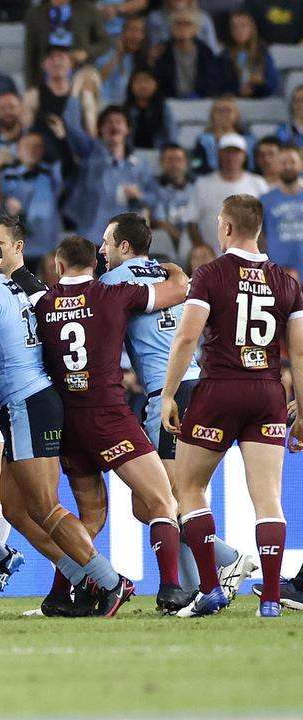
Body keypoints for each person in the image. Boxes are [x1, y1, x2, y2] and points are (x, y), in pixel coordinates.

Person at [0, 233, 135, 616]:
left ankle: (111, 581)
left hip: (27, 403)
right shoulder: (6, 288)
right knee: (15, 509)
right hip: (23, 403)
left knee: (45, 506)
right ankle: (77, 574)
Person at [159, 194, 303, 618]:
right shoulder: (287, 281)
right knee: (269, 499)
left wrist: (168, 393)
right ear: (259, 230)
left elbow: (187, 337)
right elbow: (299, 353)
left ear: (225, 227)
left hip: (220, 389)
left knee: (187, 488)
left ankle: (209, 588)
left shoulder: (211, 274)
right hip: (267, 393)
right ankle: (273, 598)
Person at [99, 212, 255, 602]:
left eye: (106, 242)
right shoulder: (172, 274)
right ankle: (190, 587)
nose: (101, 250)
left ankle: (227, 557)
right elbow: (181, 287)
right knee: (165, 498)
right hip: (197, 385)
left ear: (124, 246)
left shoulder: (113, 281)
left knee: (160, 501)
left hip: (166, 394)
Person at [34, 235, 192, 613]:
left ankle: (60, 594)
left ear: (57, 267)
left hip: (68, 424)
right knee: (160, 499)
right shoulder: (113, 294)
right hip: (108, 416)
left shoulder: (41, 304)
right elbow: (177, 290)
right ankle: (171, 588)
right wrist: (170, 267)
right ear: (95, 265)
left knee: (89, 516)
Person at [65, 105, 156, 241]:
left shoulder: (140, 165)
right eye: (109, 122)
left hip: (126, 241)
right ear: (101, 129)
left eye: (118, 122)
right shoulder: (89, 161)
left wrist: (139, 195)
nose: (114, 126)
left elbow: (156, 198)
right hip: (91, 238)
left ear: (128, 129)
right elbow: (72, 127)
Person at [192, 135, 269, 250]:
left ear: (244, 155)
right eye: (227, 152)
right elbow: (191, 222)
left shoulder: (258, 183)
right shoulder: (203, 183)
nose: (231, 157)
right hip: (212, 258)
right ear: (219, 154)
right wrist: (203, 250)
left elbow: (267, 221)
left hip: (248, 256)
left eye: (236, 153)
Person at [0, 133, 64, 261]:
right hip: (15, 250)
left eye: (37, 146)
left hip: (48, 250)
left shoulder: (52, 174)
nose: (32, 150)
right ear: (18, 150)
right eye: (27, 146)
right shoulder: (4, 175)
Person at [22, 0, 108, 88]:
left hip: (79, 75)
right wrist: (30, 86)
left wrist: (87, 52)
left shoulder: (88, 10)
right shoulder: (35, 14)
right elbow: (30, 53)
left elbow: (104, 42)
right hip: (46, 78)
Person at [154, 8, 223, 100]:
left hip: (201, 101)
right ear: (170, 27)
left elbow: (212, 84)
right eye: (178, 23)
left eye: (187, 24)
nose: (182, 27)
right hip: (170, 101)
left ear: (196, 29)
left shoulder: (206, 52)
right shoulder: (162, 51)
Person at [152, 143, 202, 258]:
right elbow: (161, 222)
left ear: (186, 163)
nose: (174, 164)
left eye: (179, 160)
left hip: (197, 239)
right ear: (161, 163)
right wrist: (184, 241)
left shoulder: (198, 187)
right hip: (171, 242)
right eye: (169, 160)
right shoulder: (155, 189)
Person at [260, 145, 303, 273]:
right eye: (283, 163)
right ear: (275, 166)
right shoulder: (265, 200)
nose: (288, 167)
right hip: (276, 272)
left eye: (292, 162)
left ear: (300, 165)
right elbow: (259, 236)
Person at [220, 10, 278, 99]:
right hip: (234, 101)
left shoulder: (263, 52)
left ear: (251, 28)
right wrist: (237, 91)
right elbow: (219, 85)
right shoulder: (225, 55)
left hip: (260, 100)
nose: (239, 30)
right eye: (234, 27)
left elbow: (273, 84)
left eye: (243, 25)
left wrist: (261, 83)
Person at [189, 96, 253, 177]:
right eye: (219, 111)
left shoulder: (249, 140)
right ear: (212, 115)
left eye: (228, 111)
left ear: (236, 115)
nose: (223, 114)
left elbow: (252, 166)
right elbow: (196, 164)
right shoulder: (202, 140)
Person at [95, 14, 149, 106]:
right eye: (133, 30)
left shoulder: (136, 59)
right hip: (102, 103)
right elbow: (98, 79)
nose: (137, 36)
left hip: (124, 109)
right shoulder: (105, 52)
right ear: (122, 32)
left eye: (141, 31)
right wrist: (118, 54)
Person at [123, 68, 172, 150]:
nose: (143, 85)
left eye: (147, 81)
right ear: (131, 85)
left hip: (158, 153)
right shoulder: (124, 110)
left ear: (156, 84)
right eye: (138, 81)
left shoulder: (164, 109)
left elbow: (171, 136)